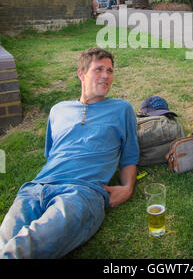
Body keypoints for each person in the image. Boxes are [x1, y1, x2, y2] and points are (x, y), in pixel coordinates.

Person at [0, 47, 139, 259]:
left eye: (110, 71)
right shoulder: (58, 110)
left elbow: (129, 157)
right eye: (98, 69)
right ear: (81, 74)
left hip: (81, 193)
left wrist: (128, 187)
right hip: (36, 189)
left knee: (23, 249)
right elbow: (52, 155)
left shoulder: (122, 109)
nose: (106, 76)